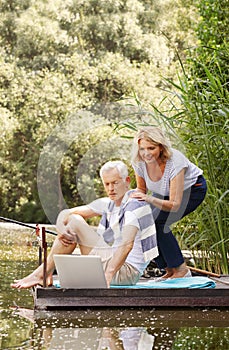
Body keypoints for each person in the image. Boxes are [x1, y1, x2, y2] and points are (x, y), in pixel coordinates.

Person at [11, 160, 158, 289]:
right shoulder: (109, 203)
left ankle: (42, 273)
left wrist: (108, 275)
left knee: (75, 222)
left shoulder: (135, 205)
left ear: (127, 181)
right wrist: (62, 230)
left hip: (126, 273)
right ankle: (45, 273)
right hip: (113, 263)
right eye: (107, 184)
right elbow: (65, 214)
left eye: (115, 182)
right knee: (72, 221)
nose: (111, 188)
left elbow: (127, 245)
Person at [130, 126, 207, 280]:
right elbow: (141, 190)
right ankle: (168, 270)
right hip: (163, 193)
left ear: (161, 147)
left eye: (151, 148)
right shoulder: (139, 161)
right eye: (142, 148)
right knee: (144, 222)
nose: (146, 153)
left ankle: (181, 270)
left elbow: (175, 204)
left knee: (159, 222)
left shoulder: (175, 161)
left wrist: (150, 199)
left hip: (192, 190)